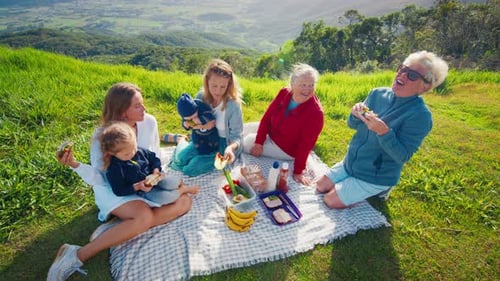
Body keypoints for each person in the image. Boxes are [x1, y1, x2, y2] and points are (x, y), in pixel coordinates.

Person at [48, 82, 194, 281]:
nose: (144, 109)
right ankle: (76, 255)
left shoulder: (149, 122)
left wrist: (156, 173)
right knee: (144, 217)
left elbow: (154, 154)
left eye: (142, 104)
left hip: (145, 186)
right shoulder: (103, 136)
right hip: (115, 189)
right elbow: (101, 177)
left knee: (185, 202)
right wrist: (75, 164)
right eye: (137, 106)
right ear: (122, 112)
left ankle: (119, 228)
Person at [315, 51, 449, 209]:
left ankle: (381, 190)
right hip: (351, 163)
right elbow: (352, 125)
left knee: (329, 200)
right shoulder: (377, 94)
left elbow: (402, 156)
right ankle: (349, 182)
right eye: (402, 69)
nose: (403, 75)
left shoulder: (420, 116)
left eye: (412, 75)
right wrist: (354, 115)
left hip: (375, 176)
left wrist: (384, 132)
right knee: (320, 186)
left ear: (425, 86)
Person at [243, 63, 324, 186]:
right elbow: (267, 117)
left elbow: (306, 145)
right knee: (243, 129)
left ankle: (231, 151)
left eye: (311, 85)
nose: (307, 89)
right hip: (273, 131)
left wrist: (298, 171)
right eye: (303, 85)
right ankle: (223, 147)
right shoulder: (284, 93)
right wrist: (259, 141)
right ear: (292, 84)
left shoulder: (315, 113)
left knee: (247, 142)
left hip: (286, 148)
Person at [167, 59, 244, 176]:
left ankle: (184, 143)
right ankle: (182, 140)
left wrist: (230, 149)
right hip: (202, 140)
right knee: (180, 160)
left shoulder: (233, 105)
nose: (218, 91)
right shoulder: (201, 96)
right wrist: (189, 124)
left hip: (223, 145)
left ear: (229, 85)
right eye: (214, 86)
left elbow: (236, 136)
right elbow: (189, 118)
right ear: (207, 81)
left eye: (223, 87)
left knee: (190, 169)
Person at [100, 121, 199, 204]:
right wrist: (138, 186)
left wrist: (156, 170)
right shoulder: (114, 169)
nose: (133, 154)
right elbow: (119, 190)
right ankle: (183, 190)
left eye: (134, 148)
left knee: (172, 182)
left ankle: (181, 185)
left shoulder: (139, 151)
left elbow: (153, 158)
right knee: (165, 198)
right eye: (126, 154)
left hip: (156, 177)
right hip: (144, 190)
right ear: (112, 153)